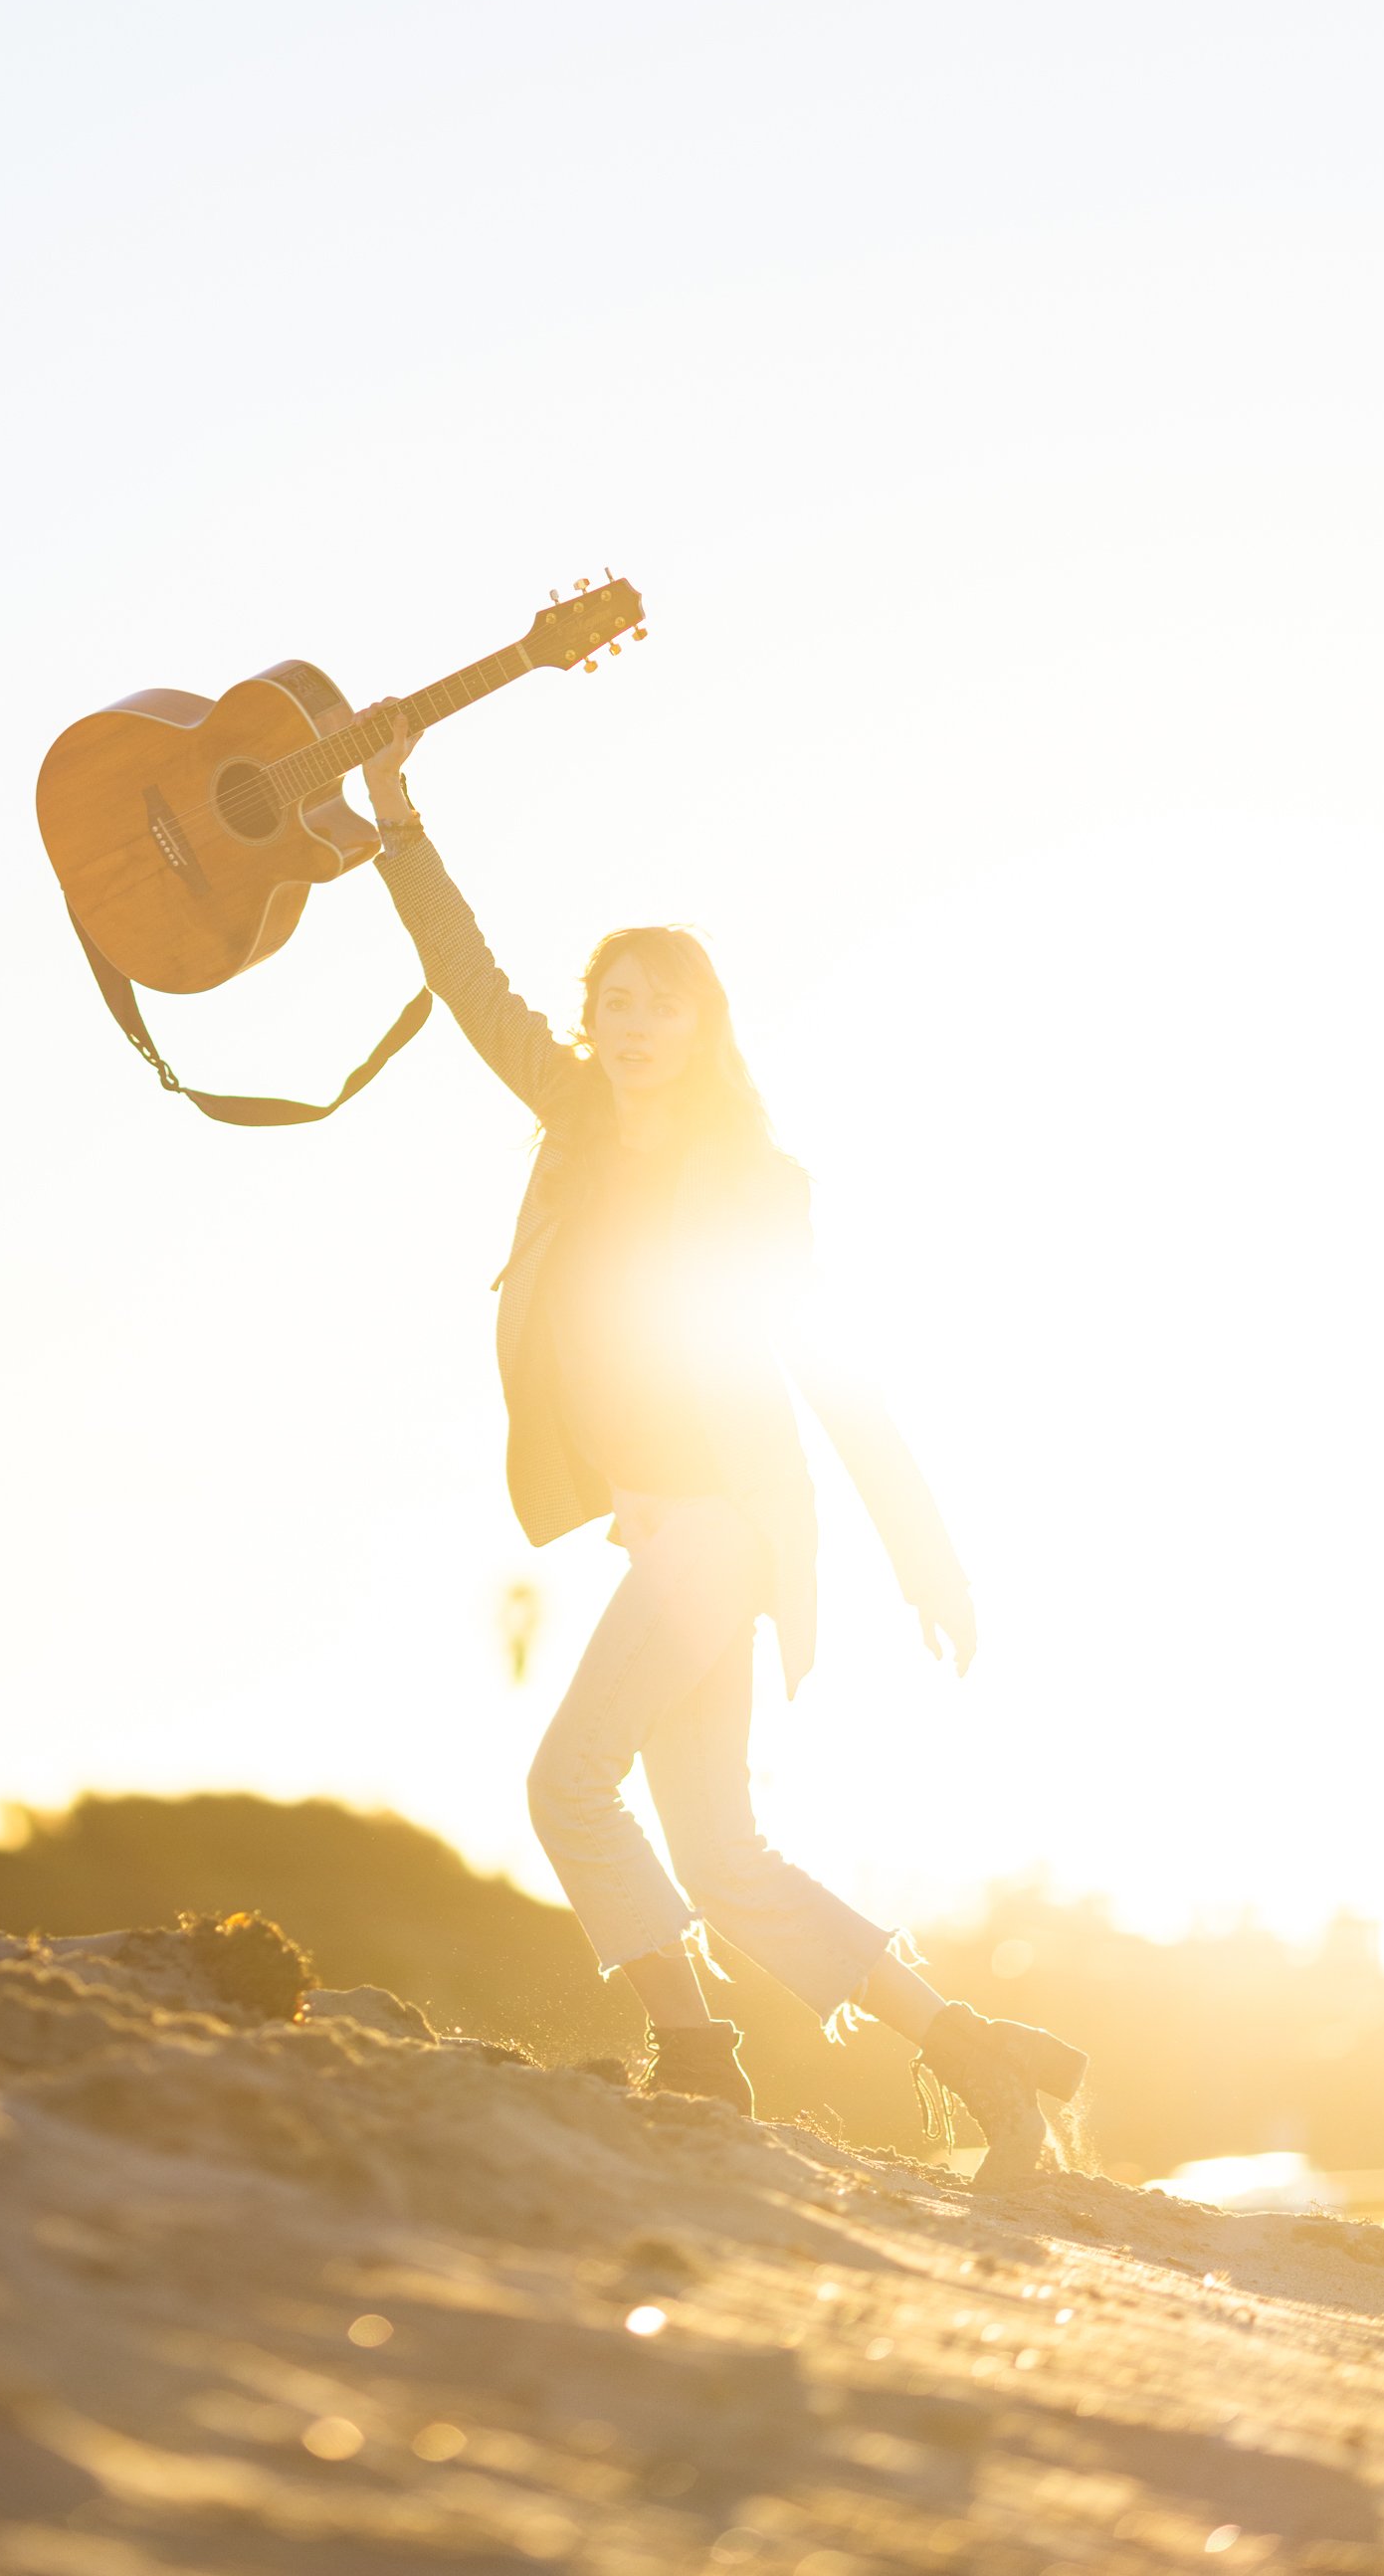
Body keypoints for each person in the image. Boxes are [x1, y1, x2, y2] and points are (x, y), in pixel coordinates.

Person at [358, 705, 1087, 2188]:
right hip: (658, 1524)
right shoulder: (568, 1117)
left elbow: (837, 1381)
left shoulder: (755, 1182)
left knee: (566, 1785)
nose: (631, 1027)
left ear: (703, 1031)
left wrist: (925, 1561)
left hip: (720, 1527)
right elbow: (465, 977)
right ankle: (982, 2057)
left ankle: (695, 2061)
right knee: (723, 1858)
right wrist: (396, 822)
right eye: (613, 1002)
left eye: (661, 1007)